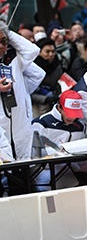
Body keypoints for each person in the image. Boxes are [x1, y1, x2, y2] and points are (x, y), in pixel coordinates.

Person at [31, 90, 87, 190]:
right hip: (46, 171)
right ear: (59, 107)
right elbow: (34, 154)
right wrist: (58, 151)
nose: (72, 117)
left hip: (72, 169)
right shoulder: (42, 123)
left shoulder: (80, 126)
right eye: (69, 112)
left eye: (75, 113)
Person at [0, 21, 45, 161]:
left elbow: (33, 51)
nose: (1, 46)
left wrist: (7, 32)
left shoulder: (13, 58)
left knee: (23, 163)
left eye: (4, 41)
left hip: (19, 119)